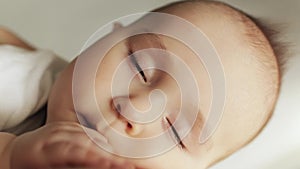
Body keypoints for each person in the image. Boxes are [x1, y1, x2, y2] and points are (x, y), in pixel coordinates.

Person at [0, 0, 287, 168]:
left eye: (177, 132)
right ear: (105, 38)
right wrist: (11, 155)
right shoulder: (16, 80)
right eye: (139, 67)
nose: (136, 108)